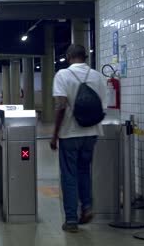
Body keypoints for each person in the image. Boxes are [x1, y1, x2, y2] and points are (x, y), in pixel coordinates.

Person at [50, 44, 106, 233]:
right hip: (92, 132)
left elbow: (61, 106)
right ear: (85, 57)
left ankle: (72, 220)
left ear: (68, 57)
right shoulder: (98, 76)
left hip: (70, 133)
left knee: (69, 175)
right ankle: (87, 206)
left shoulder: (62, 75)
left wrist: (55, 134)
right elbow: (103, 107)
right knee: (84, 171)